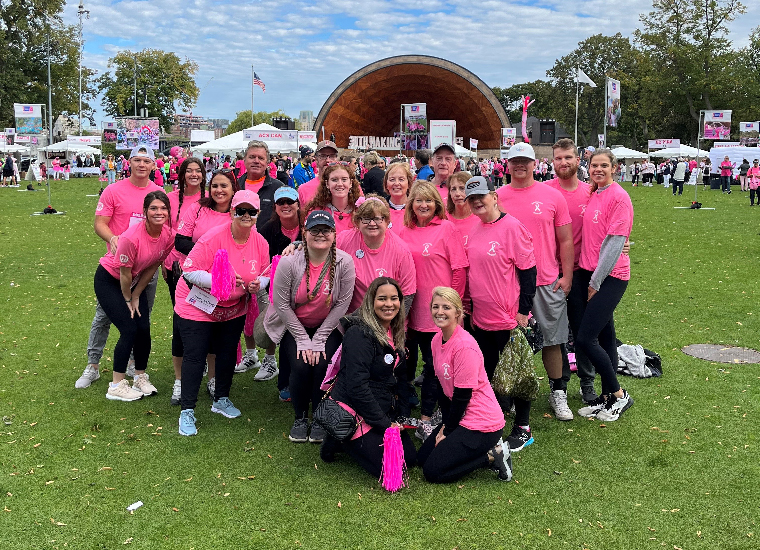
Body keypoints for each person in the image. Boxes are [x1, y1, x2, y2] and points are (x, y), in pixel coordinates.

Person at [175, 190, 270, 436]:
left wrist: (260, 283)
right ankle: (187, 410)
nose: (246, 216)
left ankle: (221, 399)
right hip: (198, 303)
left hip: (233, 306)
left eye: (251, 212)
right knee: (196, 355)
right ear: (232, 212)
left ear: (258, 214)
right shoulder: (213, 238)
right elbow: (189, 270)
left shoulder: (260, 242)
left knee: (227, 353)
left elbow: (265, 273)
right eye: (241, 211)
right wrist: (220, 278)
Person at [496, 142, 574, 424]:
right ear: (508, 164)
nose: (520, 165)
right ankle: (512, 393)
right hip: (508, 282)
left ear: (534, 164)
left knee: (553, 340)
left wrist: (567, 276)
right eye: (514, 161)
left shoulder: (552, 196)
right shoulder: (498, 196)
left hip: (545, 281)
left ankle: (558, 391)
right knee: (509, 341)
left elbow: (565, 239)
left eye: (525, 161)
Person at [76, 146, 163, 390]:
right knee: (103, 317)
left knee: (140, 318)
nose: (142, 165)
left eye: (146, 161)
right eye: (137, 160)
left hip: (145, 269)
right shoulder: (114, 190)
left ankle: (134, 365)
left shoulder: (157, 192)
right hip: (116, 267)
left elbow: (162, 228)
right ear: (129, 163)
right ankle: (92, 365)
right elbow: (99, 224)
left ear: (153, 165)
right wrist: (113, 238)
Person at [265, 210, 355, 443]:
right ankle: (300, 417)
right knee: (302, 365)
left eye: (326, 230)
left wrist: (320, 338)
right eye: (314, 230)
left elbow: (342, 304)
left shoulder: (344, 262)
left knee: (323, 363)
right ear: (304, 234)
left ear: (334, 235)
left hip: (328, 325)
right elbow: (282, 305)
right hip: (293, 324)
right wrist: (304, 340)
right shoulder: (289, 262)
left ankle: (319, 418)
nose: (320, 234)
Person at [464, 175, 537, 451]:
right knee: (492, 370)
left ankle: (523, 427)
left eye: (481, 196)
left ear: (494, 196)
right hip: (482, 318)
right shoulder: (475, 229)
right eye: (472, 199)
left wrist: (523, 311)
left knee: (518, 375)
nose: (477, 202)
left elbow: (529, 271)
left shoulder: (512, 227)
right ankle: (496, 416)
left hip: (509, 318)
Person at [319, 277, 417, 477]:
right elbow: (357, 387)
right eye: (382, 299)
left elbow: (402, 381)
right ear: (371, 302)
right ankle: (341, 436)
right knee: (390, 469)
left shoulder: (395, 331)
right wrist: (384, 424)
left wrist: (400, 417)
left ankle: (351, 438)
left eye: (394, 298)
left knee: (410, 458)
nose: (389, 304)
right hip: (353, 410)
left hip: (380, 409)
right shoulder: (359, 334)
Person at [416, 287, 512, 483]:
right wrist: (444, 425)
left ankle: (493, 455)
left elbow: (462, 396)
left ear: (458, 313)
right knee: (421, 459)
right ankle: (468, 446)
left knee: (433, 472)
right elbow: (443, 387)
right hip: (460, 417)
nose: (439, 312)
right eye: (435, 307)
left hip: (483, 424)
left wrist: (448, 431)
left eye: (446, 307)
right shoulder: (436, 340)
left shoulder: (464, 346)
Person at [397, 182, 469, 441]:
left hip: (437, 312)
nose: (423, 205)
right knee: (404, 364)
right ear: (411, 205)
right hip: (408, 310)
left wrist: (454, 306)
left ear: (437, 204)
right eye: (418, 201)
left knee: (433, 366)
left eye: (428, 200)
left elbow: (459, 269)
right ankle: (404, 413)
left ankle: (427, 416)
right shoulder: (403, 231)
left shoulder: (446, 228)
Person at [94, 191, 174, 401]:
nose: (159, 212)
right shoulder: (131, 237)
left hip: (134, 283)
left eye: (163, 208)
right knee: (129, 328)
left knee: (144, 328)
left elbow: (154, 265)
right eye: (154, 208)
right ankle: (117, 384)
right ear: (145, 212)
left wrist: (137, 294)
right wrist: (128, 298)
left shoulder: (168, 235)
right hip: (110, 280)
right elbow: (124, 274)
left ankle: (140, 376)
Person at [575, 149, 634, 421]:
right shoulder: (593, 193)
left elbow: (614, 243)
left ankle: (619, 395)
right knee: (606, 336)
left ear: (614, 167)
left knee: (586, 339)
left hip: (610, 277)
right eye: (593, 165)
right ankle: (608, 397)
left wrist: (596, 282)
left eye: (603, 165)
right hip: (590, 272)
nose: (598, 169)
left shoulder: (619, 197)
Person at [547, 139, 598, 404]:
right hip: (549, 273)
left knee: (582, 331)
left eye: (568, 157)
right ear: (552, 161)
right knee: (555, 334)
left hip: (582, 272)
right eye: (558, 158)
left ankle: (587, 380)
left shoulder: (591, 192)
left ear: (579, 160)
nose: (563, 162)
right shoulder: (544, 191)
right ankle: (560, 383)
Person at [253, 186, 304, 399]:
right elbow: (262, 260)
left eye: (290, 202)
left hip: (305, 289)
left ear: (298, 204)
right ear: (275, 206)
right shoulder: (268, 230)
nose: (286, 206)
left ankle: (300, 380)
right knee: (283, 334)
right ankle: (284, 382)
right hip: (277, 290)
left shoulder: (307, 227)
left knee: (299, 335)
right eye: (281, 202)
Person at [164, 158, 206, 405]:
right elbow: (165, 233)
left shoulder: (209, 199)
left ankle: (201, 365)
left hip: (204, 268)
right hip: (175, 268)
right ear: (181, 174)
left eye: (197, 170)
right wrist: (164, 262)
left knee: (205, 317)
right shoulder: (170, 199)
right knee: (181, 321)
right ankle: (181, 377)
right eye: (188, 170)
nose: (193, 174)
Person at [336, 195, 416, 313]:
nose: (372, 223)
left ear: (387, 221)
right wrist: (299, 246)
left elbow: (407, 294)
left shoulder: (401, 250)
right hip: (352, 318)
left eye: (378, 219)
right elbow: (322, 251)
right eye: (366, 218)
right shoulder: (344, 239)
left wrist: (392, 325)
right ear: (358, 221)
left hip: (388, 318)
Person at [237, 140, 284, 230]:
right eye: (252, 157)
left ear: (267, 163)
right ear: (244, 160)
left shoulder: (278, 188)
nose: (256, 161)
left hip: (268, 241)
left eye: (261, 158)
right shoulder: (234, 186)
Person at [304, 162, 362, 235]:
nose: (340, 184)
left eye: (344, 179)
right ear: (327, 184)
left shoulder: (361, 211)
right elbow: (308, 239)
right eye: (334, 180)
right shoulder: (316, 212)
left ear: (350, 183)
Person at [297, 141, 338, 205]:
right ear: (316, 160)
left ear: (336, 159)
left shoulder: (349, 187)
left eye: (332, 156)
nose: (328, 160)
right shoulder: (303, 189)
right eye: (323, 156)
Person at [446, 171, 479, 247]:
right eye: (453, 189)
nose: (457, 194)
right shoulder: (443, 219)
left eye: (462, 188)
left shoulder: (480, 218)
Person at [384, 160, 414, 231]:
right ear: (386, 184)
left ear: (409, 183)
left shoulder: (416, 209)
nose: (396, 183)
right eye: (392, 180)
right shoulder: (379, 208)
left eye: (401, 179)